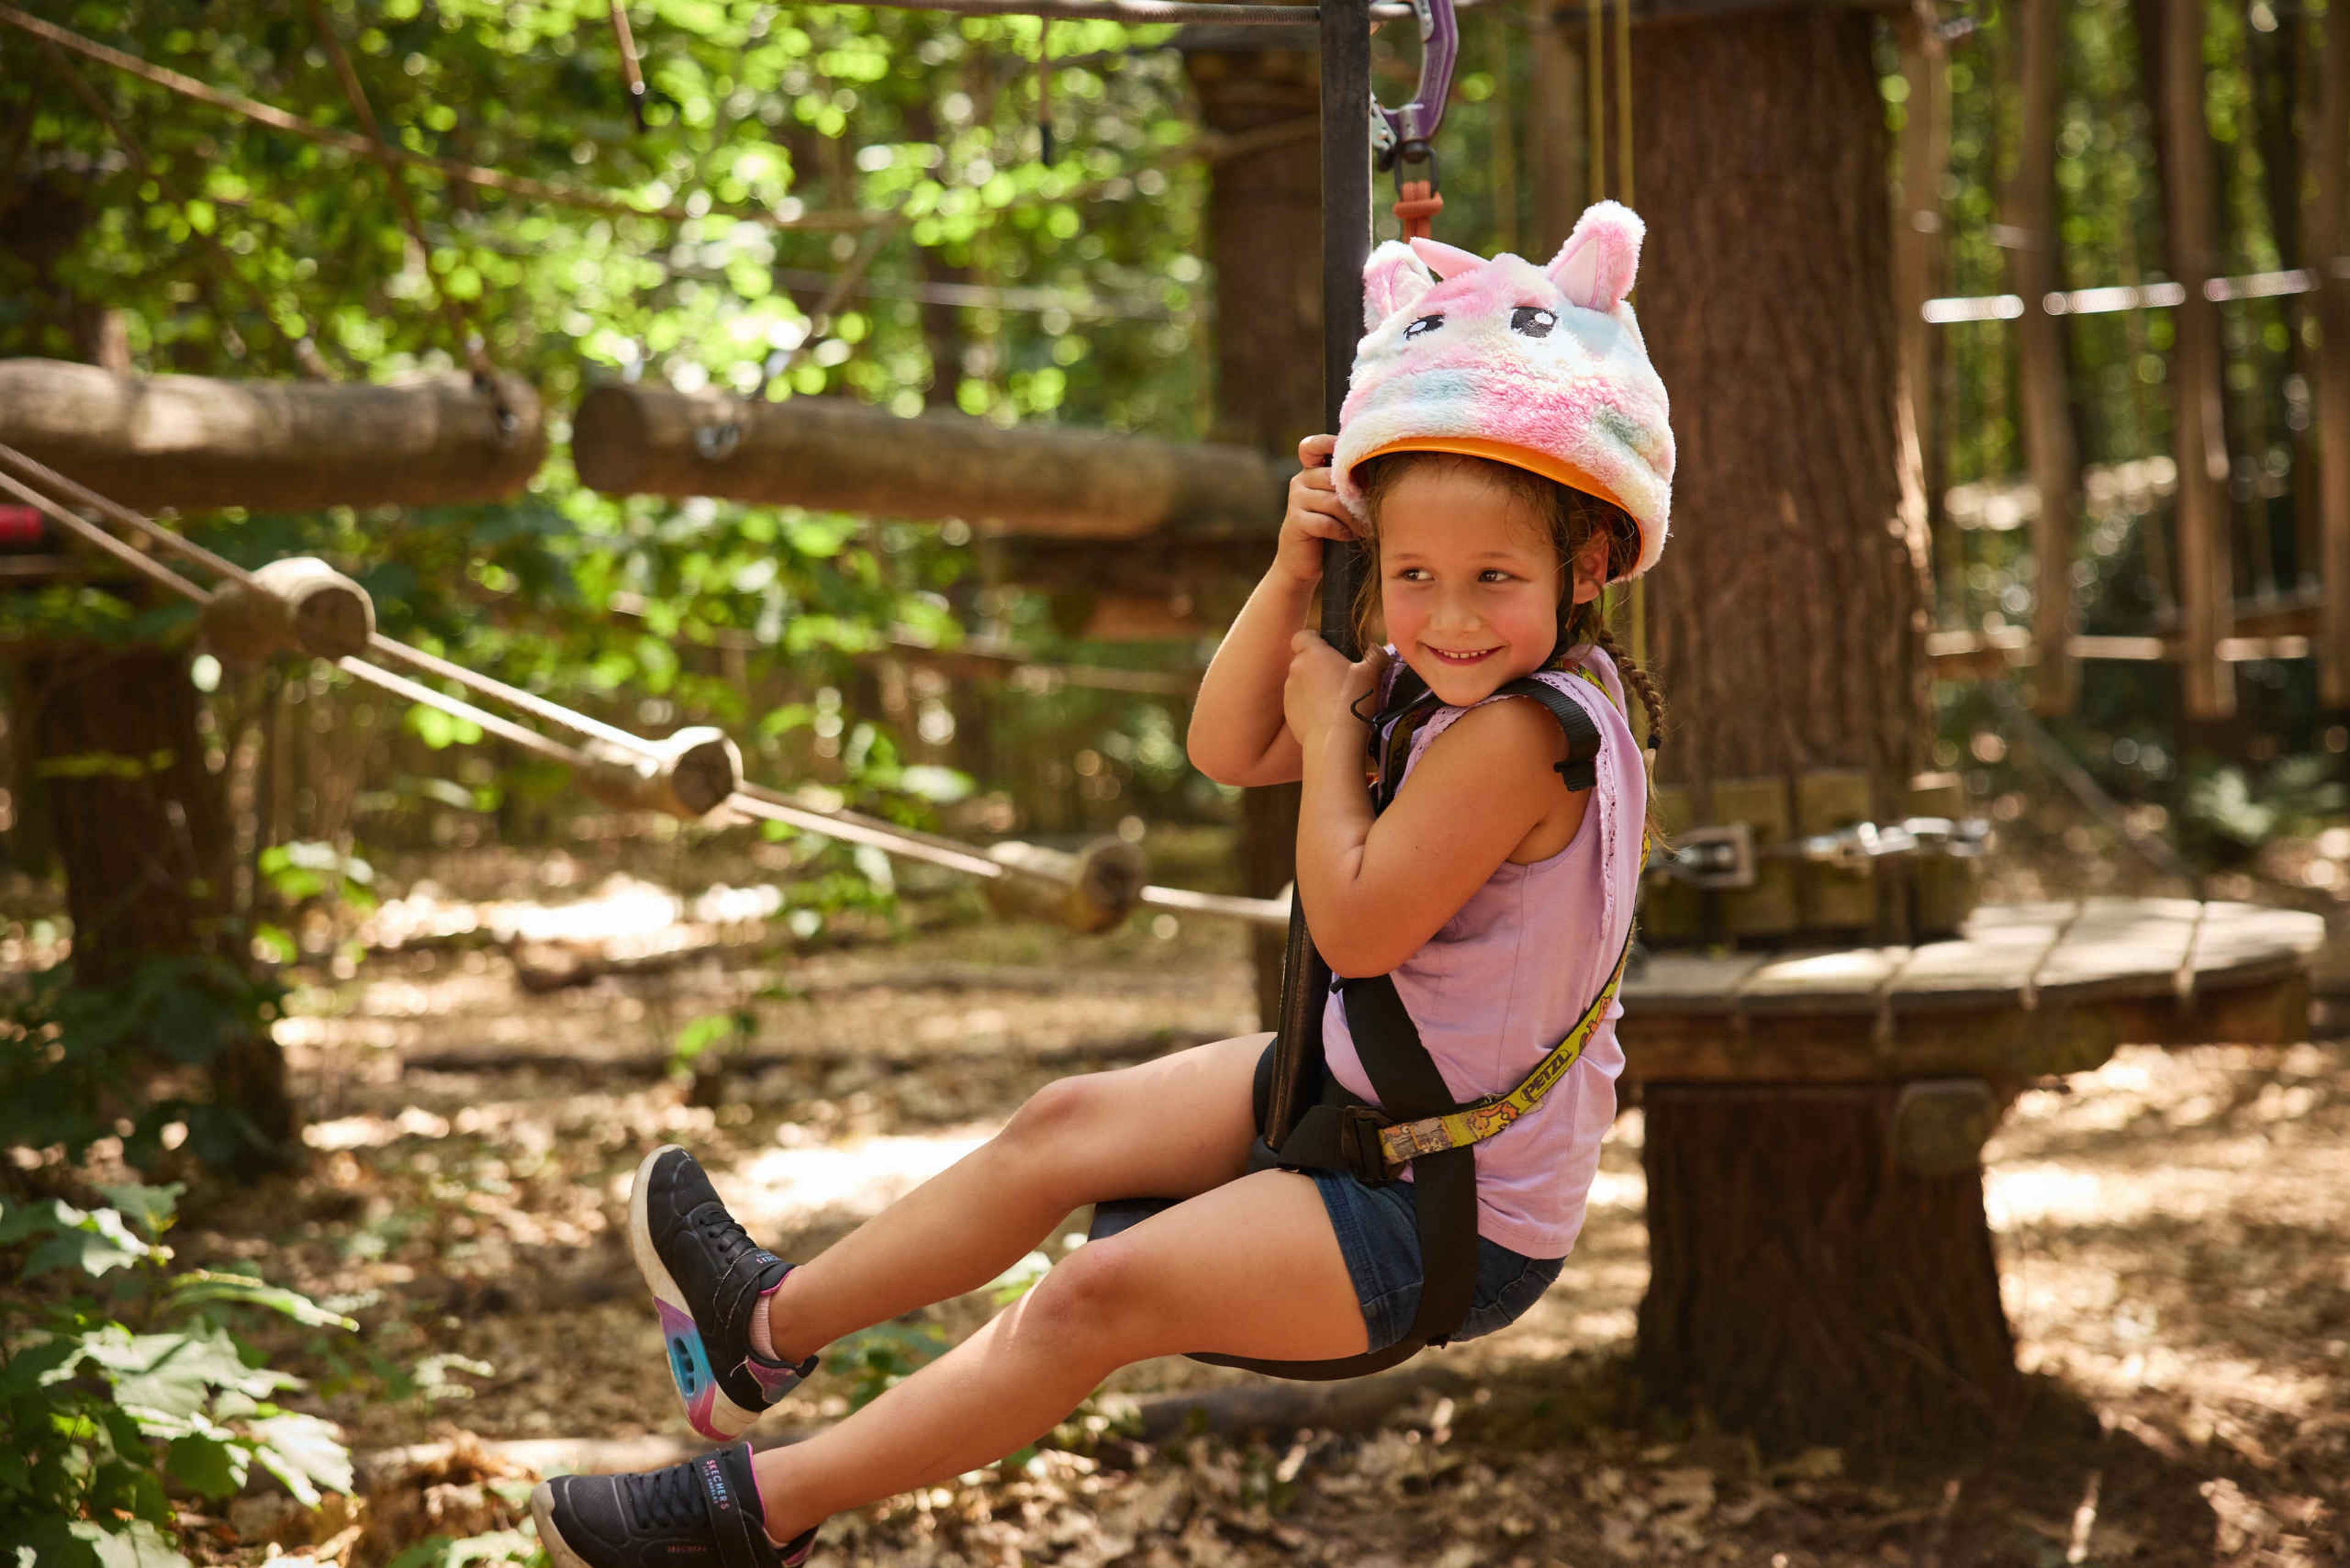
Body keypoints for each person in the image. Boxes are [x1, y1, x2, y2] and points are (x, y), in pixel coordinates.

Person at [531, 200, 1676, 1568]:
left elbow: (1362, 926)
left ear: (1590, 560)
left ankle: (750, 1513)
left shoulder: (1514, 730)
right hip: (1371, 1104)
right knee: (1069, 1123)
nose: (1449, 615)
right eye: (1413, 574)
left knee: (1098, 1292)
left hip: (1444, 1207)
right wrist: (1292, 566)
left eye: (1496, 576)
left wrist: (1331, 737)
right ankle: (763, 1331)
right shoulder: (1446, 681)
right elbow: (1226, 743)